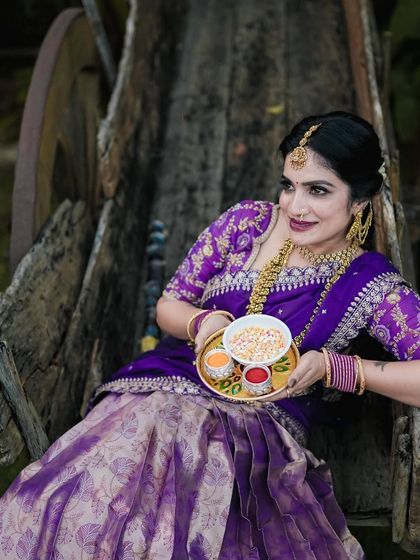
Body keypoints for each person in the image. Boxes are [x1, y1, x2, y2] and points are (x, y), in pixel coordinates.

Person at [0, 111, 419, 559]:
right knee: (82, 502)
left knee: (186, 524)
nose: (294, 207)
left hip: (254, 421)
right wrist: (201, 322)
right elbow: (170, 303)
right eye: (288, 185)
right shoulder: (246, 225)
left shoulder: (370, 284)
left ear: (359, 201)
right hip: (162, 389)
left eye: (318, 190)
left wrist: (336, 367)